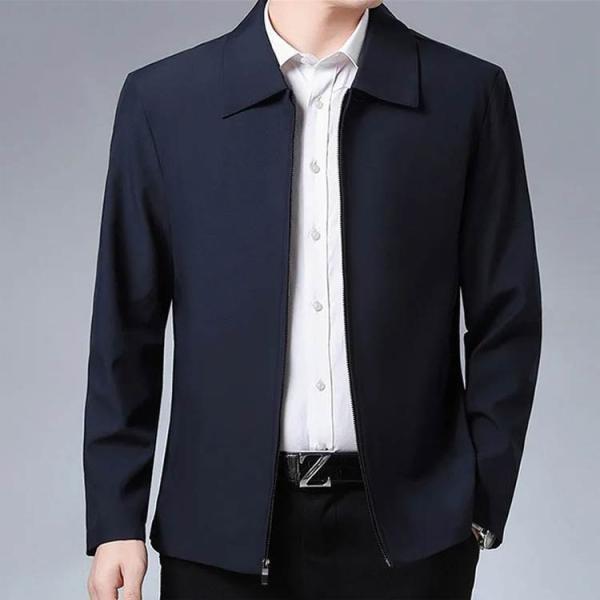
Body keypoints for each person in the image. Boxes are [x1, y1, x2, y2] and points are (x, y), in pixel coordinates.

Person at [83, 0, 542, 598]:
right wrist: (116, 520)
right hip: (218, 538)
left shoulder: (466, 93)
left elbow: (507, 313)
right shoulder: (164, 100)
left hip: (415, 539)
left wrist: (480, 499)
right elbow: (125, 325)